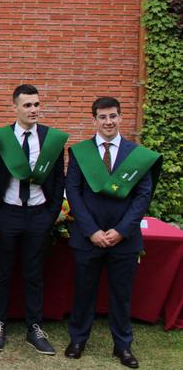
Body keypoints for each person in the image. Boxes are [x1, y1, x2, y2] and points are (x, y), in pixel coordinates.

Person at [64, 97, 161, 369]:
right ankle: (78, 339)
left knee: (122, 294)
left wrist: (120, 230)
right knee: (83, 292)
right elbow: (73, 192)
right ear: (94, 120)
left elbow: (143, 196)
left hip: (125, 239)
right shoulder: (80, 152)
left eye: (113, 116)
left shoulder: (136, 155)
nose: (108, 122)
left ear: (120, 118)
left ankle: (123, 346)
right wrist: (92, 230)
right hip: (88, 237)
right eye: (103, 117)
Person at [0, 84, 67, 355]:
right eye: (27, 105)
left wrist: (50, 214)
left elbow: (58, 179)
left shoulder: (51, 138)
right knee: (2, 272)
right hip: (7, 212)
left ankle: (35, 327)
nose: (33, 110)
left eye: (36, 104)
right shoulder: (1, 139)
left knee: (34, 274)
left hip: (38, 213)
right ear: (15, 108)